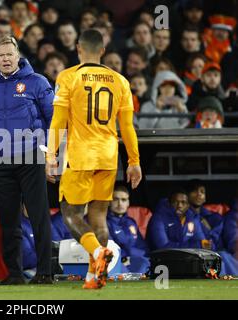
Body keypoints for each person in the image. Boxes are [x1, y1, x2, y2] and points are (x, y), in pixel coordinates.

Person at [46, 29, 142, 290]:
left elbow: (58, 122)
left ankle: (98, 254)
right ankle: (95, 276)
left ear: (78, 48)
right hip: (109, 157)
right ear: (102, 50)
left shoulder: (68, 77)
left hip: (80, 156)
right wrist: (134, 161)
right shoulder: (120, 81)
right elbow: (128, 128)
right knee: (99, 216)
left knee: (70, 214)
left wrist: (52, 155)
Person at [0, 35, 54, 285]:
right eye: (0, 56)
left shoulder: (38, 82)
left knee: (39, 216)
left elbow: (55, 118)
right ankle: (15, 274)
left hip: (31, 157)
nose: (5, 59)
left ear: (18, 55)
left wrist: (52, 154)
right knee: (8, 219)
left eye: (9, 54)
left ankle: (45, 272)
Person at [107, 185, 149, 274]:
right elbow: (109, 249)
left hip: (132, 260)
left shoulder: (131, 222)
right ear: (109, 202)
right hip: (115, 262)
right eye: (115, 199)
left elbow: (142, 247)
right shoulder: (103, 222)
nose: (120, 204)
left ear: (128, 203)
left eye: (123, 200)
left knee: (146, 263)